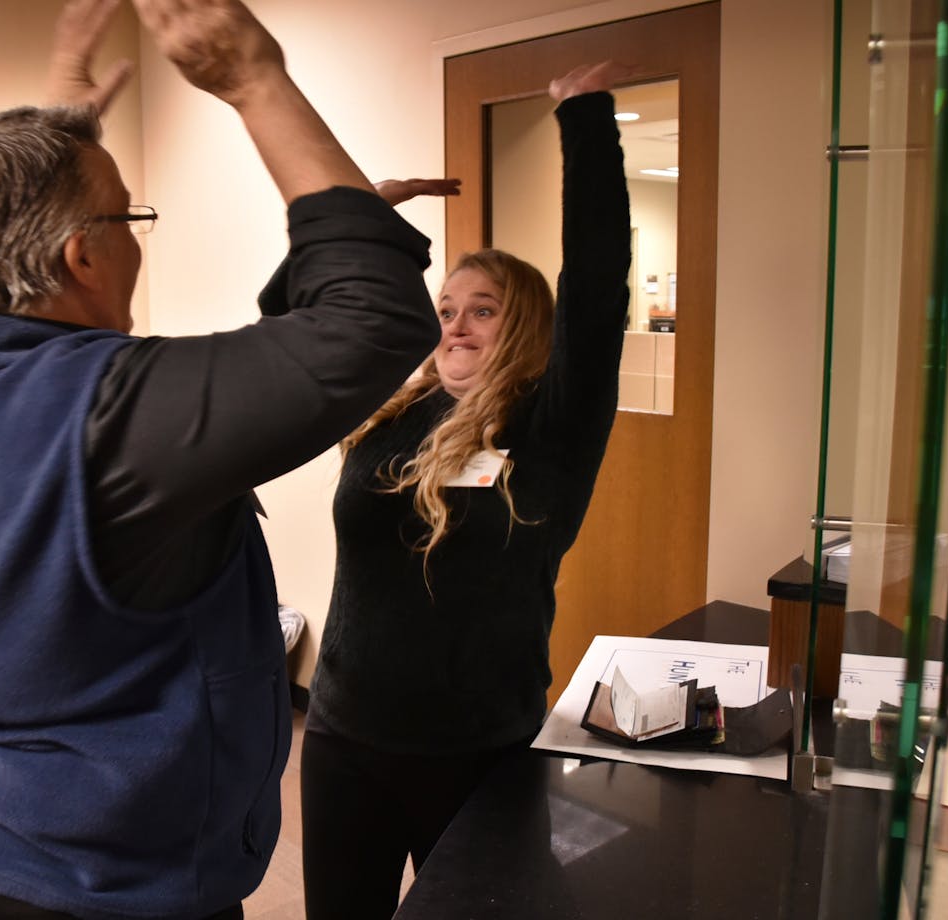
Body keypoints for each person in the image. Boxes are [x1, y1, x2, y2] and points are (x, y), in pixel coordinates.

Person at [0, 0, 440, 917]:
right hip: (99, 888)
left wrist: (58, 118)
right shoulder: (109, 412)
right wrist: (253, 76)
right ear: (84, 255)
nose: (135, 236)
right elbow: (377, 320)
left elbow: (14, 237)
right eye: (130, 218)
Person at [301, 61, 635, 920]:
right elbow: (307, 330)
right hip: (344, 739)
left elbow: (596, 293)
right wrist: (365, 221)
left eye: (481, 309)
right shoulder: (394, 413)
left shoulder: (549, 424)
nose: (453, 322)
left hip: (478, 748)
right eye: (446, 307)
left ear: (522, 323)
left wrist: (584, 119)